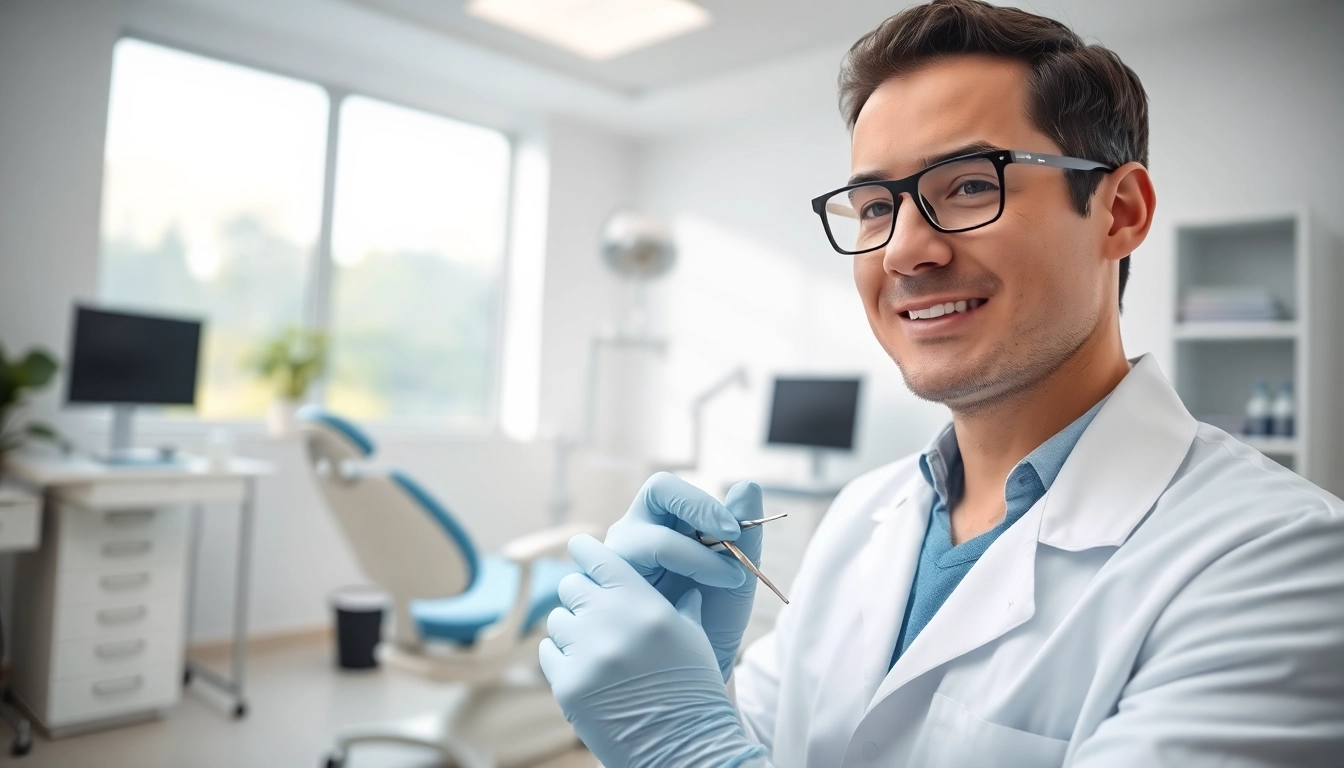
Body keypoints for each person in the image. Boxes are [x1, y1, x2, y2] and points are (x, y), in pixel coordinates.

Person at [537, 1, 1344, 765]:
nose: (902, 253)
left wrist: (682, 746)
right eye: (874, 207)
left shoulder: (1283, 565)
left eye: (967, 185)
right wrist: (696, 691)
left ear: (1120, 211)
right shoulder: (861, 518)